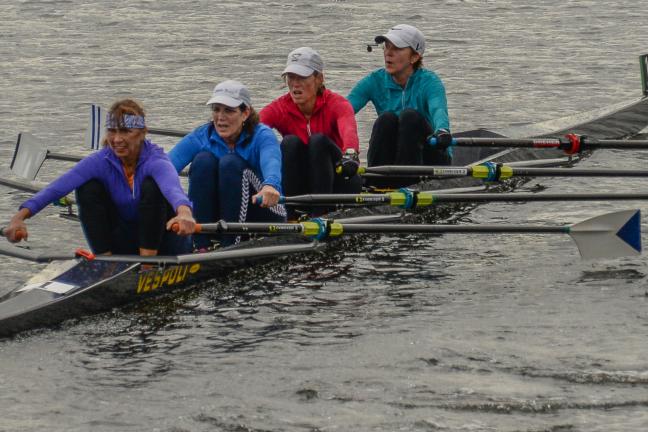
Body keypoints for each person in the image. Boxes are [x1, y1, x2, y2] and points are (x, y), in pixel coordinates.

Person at [4, 99, 195, 257]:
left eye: (126, 131)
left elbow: (173, 189)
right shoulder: (100, 161)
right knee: (88, 187)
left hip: (167, 245)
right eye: (113, 131)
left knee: (152, 187)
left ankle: (148, 267)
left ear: (142, 133)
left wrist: (185, 213)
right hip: (126, 242)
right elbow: (56, 188)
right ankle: (107, 262)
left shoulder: (156, 160)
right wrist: (19, 217)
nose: (117, 139)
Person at [168, 80, 286, 248]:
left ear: (245, 113)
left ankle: (230, 244)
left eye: (229, 110)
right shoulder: (203, 134)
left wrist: (270, 185)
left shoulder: (262, 135)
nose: (220, 117)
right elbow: (166, 169)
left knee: (230, 164)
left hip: (264, 210)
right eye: (216, 109)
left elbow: (271, 161)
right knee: (203, 161)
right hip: (223, 212)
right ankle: (200, 245)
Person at [260, 46, 363, 216]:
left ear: (319, 79)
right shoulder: (279, 107)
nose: (295, 84)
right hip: (302, 184)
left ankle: (320, 214)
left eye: (302, 77)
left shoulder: (337, 104)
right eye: (291, 77)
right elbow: (253, 131)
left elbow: (348, 129)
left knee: (318, 141)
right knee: (289, 143)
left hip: (340, 181)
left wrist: (351, 153)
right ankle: (291, 213)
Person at [347, 24, 453, 173]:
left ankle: (406, 179)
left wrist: (442, 130)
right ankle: (378, 178)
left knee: (409, 117)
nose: (388, 53)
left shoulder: (429, 82)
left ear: (415, 57)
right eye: (386, 47)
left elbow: (438, 109)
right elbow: (344, 111)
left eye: (396, 48)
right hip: (395, 156)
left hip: (431, 158)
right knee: (386, 119)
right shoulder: (374, 81)